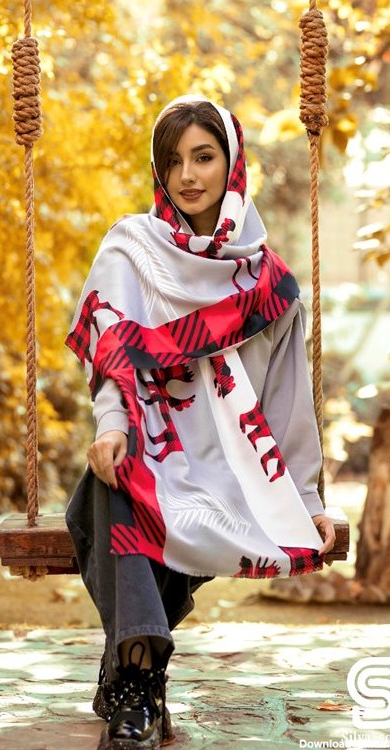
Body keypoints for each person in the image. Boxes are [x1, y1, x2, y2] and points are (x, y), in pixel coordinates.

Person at [65, 94, 336, 749]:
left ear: (231, 164)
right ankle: (141, 683)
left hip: (233, 473)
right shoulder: (132, 249)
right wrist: (111, 427)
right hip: (149, 450)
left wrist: (305, 500)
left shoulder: (268, 285)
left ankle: (126, 676)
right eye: (173, 161)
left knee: (124, 506)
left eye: (204, 157)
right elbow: (113, 360)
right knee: (117, 479)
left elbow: (287, 403)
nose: (187, 175)